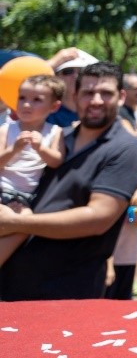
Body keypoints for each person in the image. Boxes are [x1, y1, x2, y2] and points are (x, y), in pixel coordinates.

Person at [0, 61, 137, 300]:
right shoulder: (57, 137)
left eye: (106, 93)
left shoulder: (125, 149)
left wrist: (18, 223)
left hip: (65, 290)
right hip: (14, 281)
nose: (96, 100)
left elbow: (98, 219)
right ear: (75, 96)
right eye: (88, 93)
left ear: (121, 97)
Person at [0, 73, 65, 267]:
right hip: (2, 190)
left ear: (54, 106)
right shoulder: (6, 129)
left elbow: (57, 161)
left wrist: (41, 149)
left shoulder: (55, 132)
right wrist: (14, 149)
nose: (27, 105)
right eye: (22, 98)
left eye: (37, 100)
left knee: (25, 225)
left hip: (23, 198)